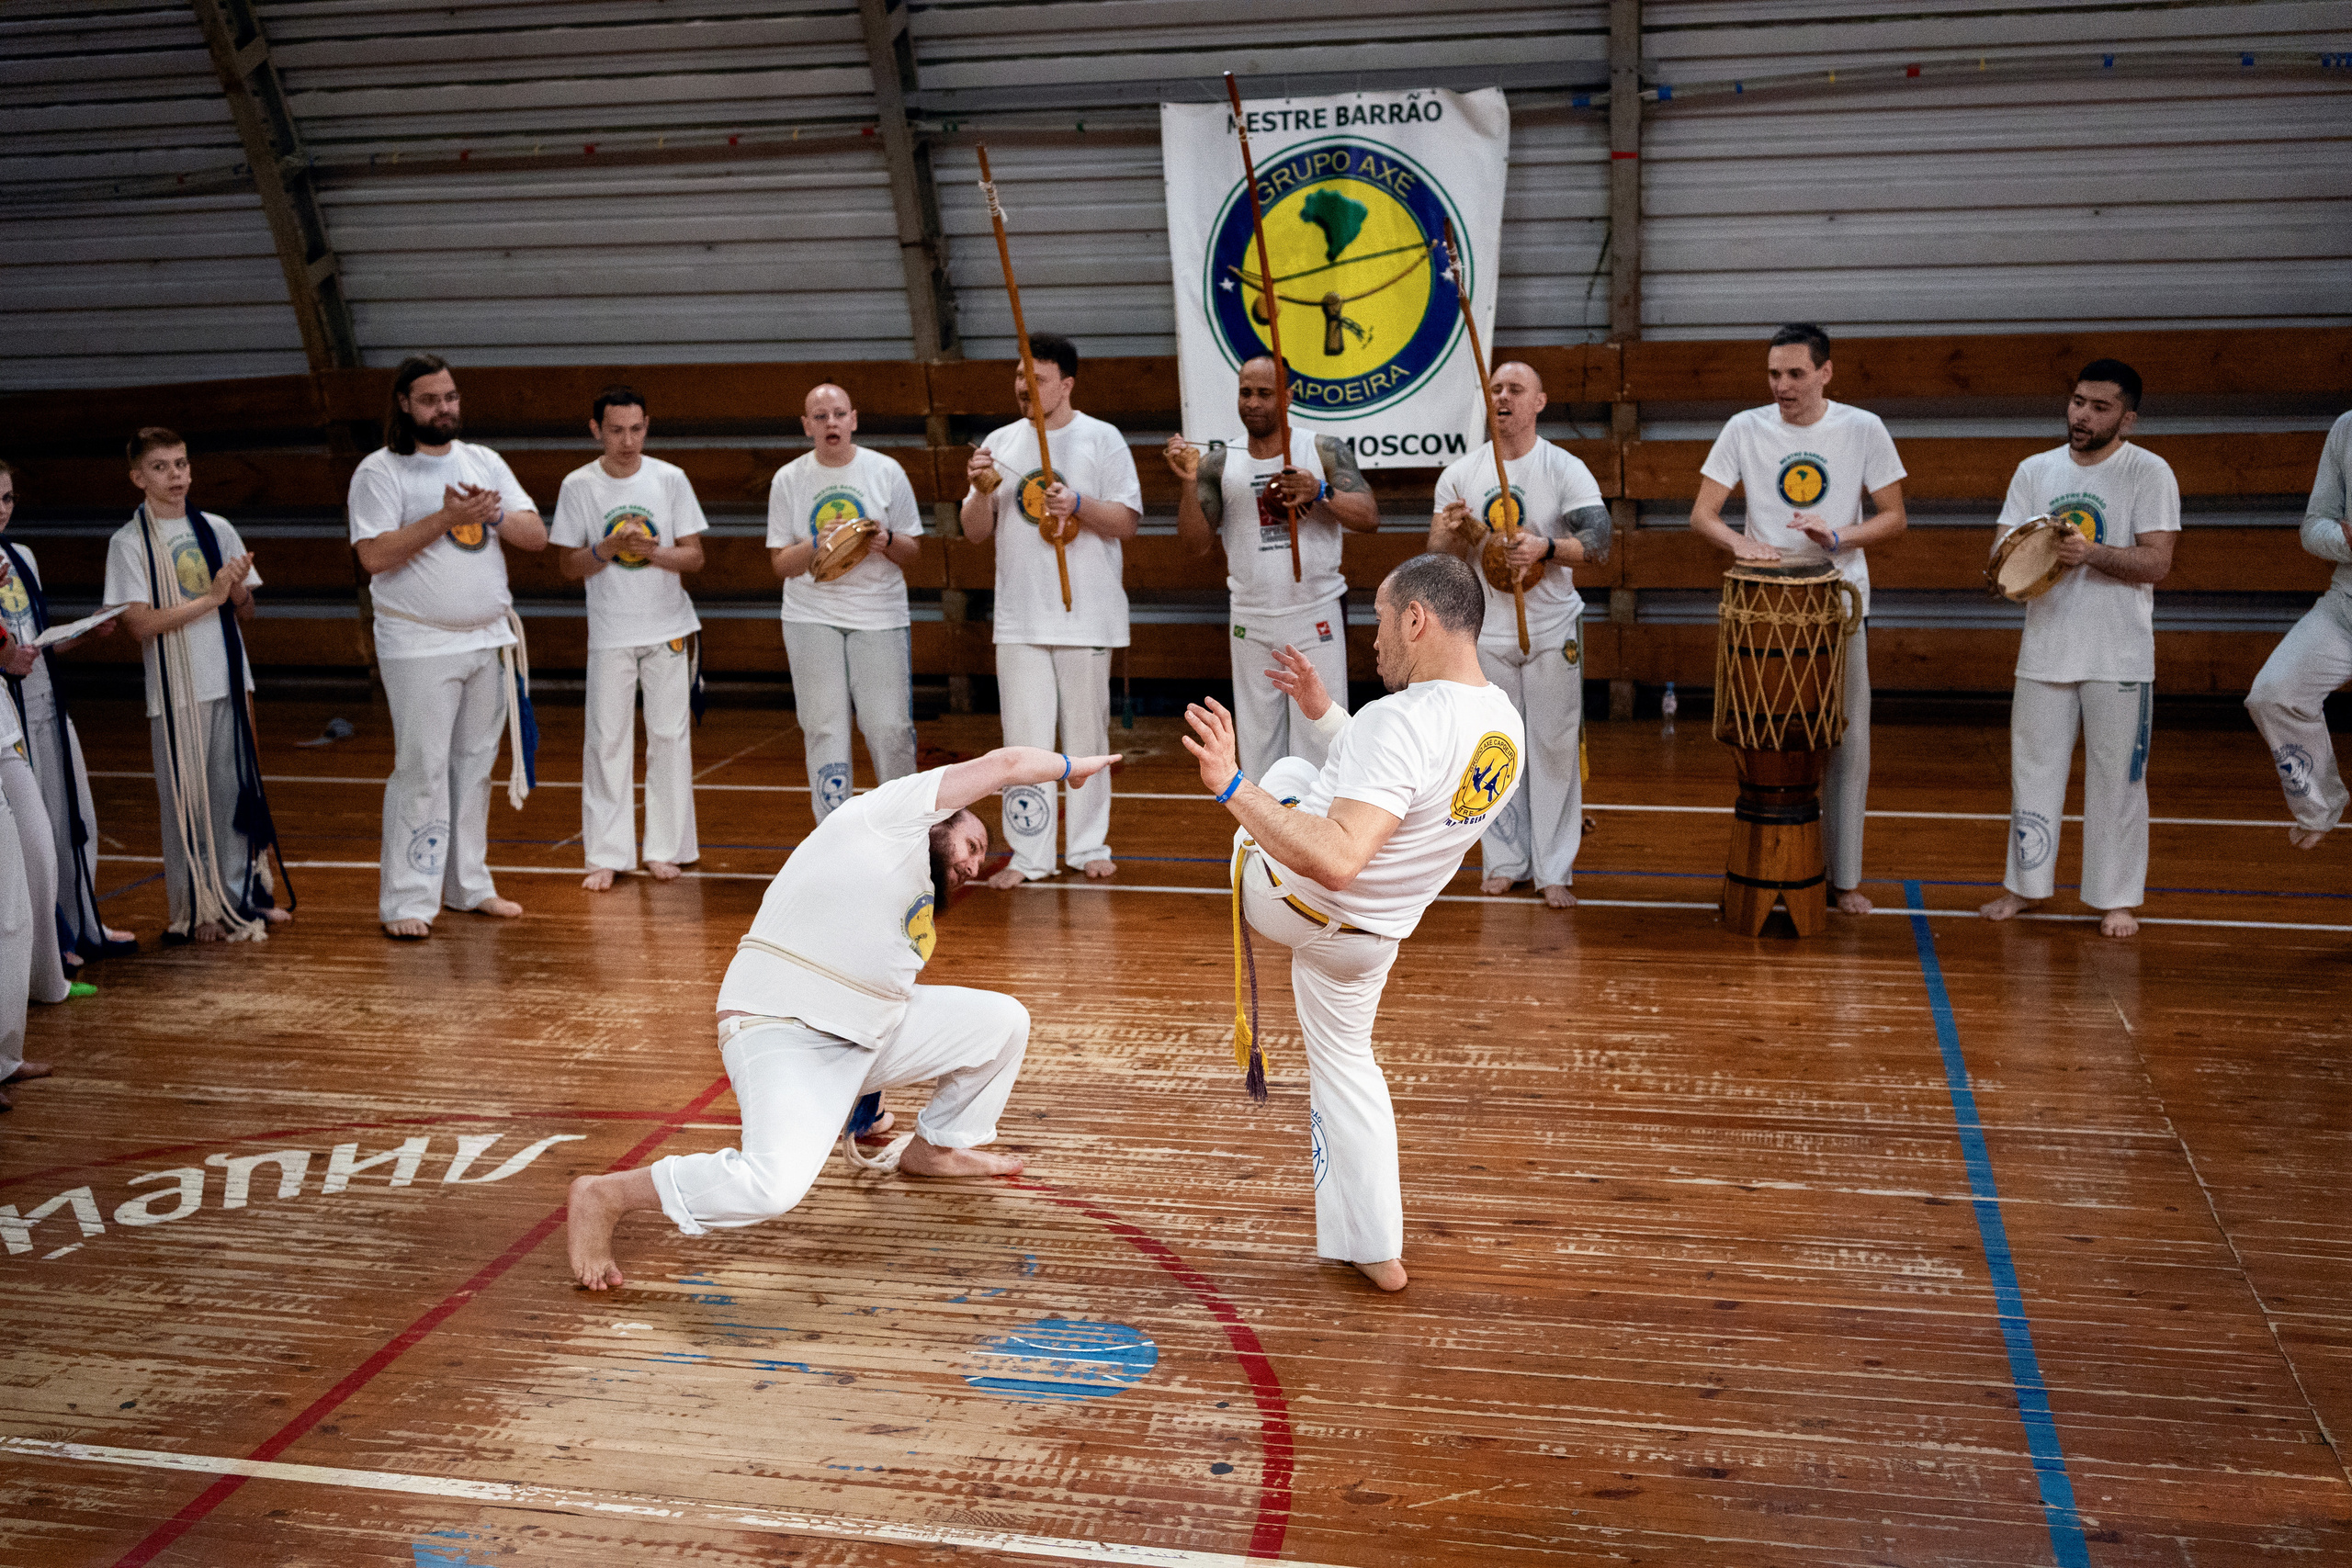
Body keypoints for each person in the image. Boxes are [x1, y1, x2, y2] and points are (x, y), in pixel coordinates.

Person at [563, 743, 1119, 1291]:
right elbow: (1006, 765)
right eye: (971, 845)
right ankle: (605, 1195)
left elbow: (874, 985)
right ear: (937, 820)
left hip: (857, 1037)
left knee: (1000, 1021)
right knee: (771, 1188)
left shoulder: (909, 890)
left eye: (980, 858)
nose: (974, 865)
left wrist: (868, 1094)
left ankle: (934, 1150)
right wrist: (1071, 768)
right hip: (781, 1027)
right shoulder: (886, 815)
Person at [1182, 553, 1523, 1293]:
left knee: (1285, 778)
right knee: (1348, 1066)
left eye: (1380, 618)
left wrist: (1231, 784)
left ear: (1416, 619)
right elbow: (1399, 780)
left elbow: (1337, 857)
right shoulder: (1503, 725)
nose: (1372, 638)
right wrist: (1323, 713)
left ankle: (1369, 1243)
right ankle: (1376, 1249)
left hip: (1292, 903)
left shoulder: (1397, 720)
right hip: (1373, 939)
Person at [1690, 323, 1906, 915]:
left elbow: (1894, 517)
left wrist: (1837, 536)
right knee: (1767, 739)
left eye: (1795, 374)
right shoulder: (1744, 427)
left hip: (1838, 602)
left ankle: (1845, 879)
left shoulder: (1862, 428)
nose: (1782, 386)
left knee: (1848, 739)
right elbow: (1703, 514)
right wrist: (1739, 543)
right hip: (1764, 607)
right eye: (1773, 374)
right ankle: (1774, 865)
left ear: (1825, 373)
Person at [348, 355, 548, 940]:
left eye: (451, 396)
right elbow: (373, 556)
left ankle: (468, 884)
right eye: (431, 399)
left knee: (475, 768)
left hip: (488, 638)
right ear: (404, 405)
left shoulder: (483, 460)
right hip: (418, 642)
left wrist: (493, 512)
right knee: (422, 769)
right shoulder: (380, 471)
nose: (445, 408)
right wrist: (445, 517)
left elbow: (535, 537)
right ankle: (407, 899)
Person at [1977, 362, 2179, 940]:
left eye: (2099, 407)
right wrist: (2031, 558)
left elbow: (2157, 562)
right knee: (2032, 772)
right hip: (2045, 648)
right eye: (2077, 402)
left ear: (2127, 419)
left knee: (2119, 781)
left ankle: (2116, 900)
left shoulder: (2149, 471)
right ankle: (2025, 886)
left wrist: (2090, 553)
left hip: (2120, 655)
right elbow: (2003, 555)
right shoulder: (2034, 469)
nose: (2083, 416)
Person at [959, 333, 1143, 888]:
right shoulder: (1000, 442)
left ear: (1066, 384)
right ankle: (1029, 854)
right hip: (1020, 619)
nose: (1025, 387)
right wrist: (978, 491)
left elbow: (1127, 522)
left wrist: (1079, 504)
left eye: (1036, 379)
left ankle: (1088, 846)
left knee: (1086, 741)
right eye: (1020, 377)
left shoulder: (1101, 439)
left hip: (1086, 617)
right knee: (1023, 745)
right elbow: (974, 533)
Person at [1426, 361, 1611, 908]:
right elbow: (1438, 557)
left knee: (1553, 747)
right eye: (1495, 389)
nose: (1502, 397)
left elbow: (1600, 544)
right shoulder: (1461, 473)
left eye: (1515, 389)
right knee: (1493, 748)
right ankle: (1505, 860)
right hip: (1487, 631)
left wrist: (1545, 548)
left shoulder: (1564, 467)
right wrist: (1451, 532)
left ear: (1539, 402)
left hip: (1551, 628)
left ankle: (1555, 870)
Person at [103, 428, 289, 942]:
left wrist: (236, 592)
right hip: (176, 691)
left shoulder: (216, 527)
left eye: (181, 464)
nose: (175, 475)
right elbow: (139, 623)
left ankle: (241, 897)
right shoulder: (128, 543)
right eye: (160, 467)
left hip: (228, 678)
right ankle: (197, 908)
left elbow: (246, 611)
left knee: (235, 793)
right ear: (138, 478)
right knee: (187, 804)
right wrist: (211, 598)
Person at [1165, 355, 1379, 775]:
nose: (1253, 403)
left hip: (1315, 611)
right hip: (1251, 616)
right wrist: (1190, 482)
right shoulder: (1218, 463)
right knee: (1257, 741)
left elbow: (1369, 517)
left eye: (1265, 393)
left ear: (1288, 397)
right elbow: (1194, 545)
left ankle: (1319, 818)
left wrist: (1321, 491)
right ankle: (1264, 819)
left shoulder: (1321, 449)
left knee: (1321, 737)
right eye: (1245, 392)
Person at [552, 386, 707, 890]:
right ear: (595, 430)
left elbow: (694, 557)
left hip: (669, 627)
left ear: (647, 427)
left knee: (669, 738)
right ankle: (606, 854)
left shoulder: (670, 478)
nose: (627, 440)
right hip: (610, 631)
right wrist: (606, 548)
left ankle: (668, 849)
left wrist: (650, 551)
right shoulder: (579, 485)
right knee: (606, 741)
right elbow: (568, 565)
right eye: (616, 430)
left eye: (636, 429)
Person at [768, 382, 925, 822]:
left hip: (878, 614)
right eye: (820, 417)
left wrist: (885, 540)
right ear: (807, 426)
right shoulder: (788, 479)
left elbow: (913, 551)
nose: (831, 423)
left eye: (839, 414)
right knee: (824, 729)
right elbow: (780, 565)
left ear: (853, 419)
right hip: (810, 616)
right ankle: (832, 832)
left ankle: (904, 827)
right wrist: (816, 542)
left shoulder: (886, 471)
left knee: (889, 728)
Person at [0, 458, 134, 968]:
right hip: (7, 716)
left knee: (74, 819)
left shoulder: (23, 556)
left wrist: (84, 631)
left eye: (8, 498)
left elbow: (35, 646)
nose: (2, 509)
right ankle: (47, 945)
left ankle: (83, 923)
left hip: (46, 701)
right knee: (29, 836)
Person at [2245, 408, 2352, 849]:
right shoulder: (2347, 427)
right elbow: (2314, 526)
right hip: (2346, 606)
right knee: (2274, 694)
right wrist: (2346, 540)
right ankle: (2319, 805)